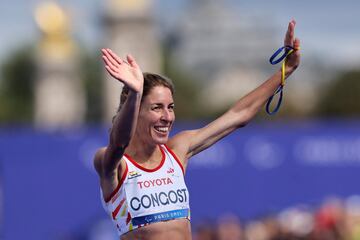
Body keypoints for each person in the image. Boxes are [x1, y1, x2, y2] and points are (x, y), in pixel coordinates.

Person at [94, 20, 301, 240]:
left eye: (170, 107)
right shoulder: (113, 163)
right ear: (135, 111)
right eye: (157, 108)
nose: (168, 117)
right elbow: (119, 142)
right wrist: (135, 93)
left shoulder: (177, 151)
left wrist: (285, 71)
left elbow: (238, 116)